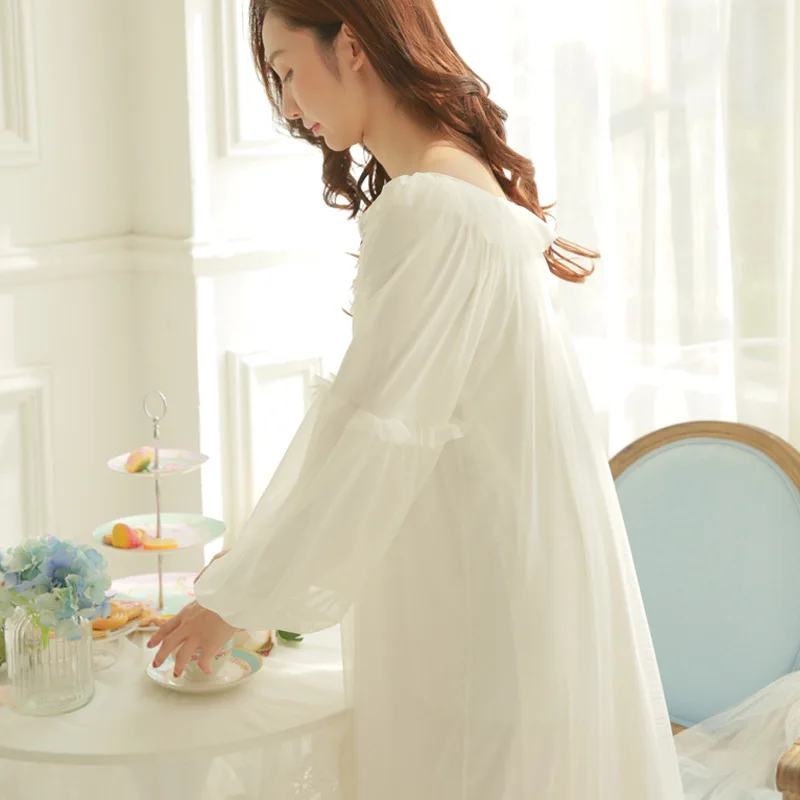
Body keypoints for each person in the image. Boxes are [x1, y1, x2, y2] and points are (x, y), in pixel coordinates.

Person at [148, 1, 684, 797]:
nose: (288, 106)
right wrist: (258, 561)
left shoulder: (430, 204)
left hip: (480, 595)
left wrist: (239, 596)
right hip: (506, 571)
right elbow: (378, 425)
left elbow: (369, 437)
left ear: (352, 46)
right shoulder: (458, 185)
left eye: (288, 71)